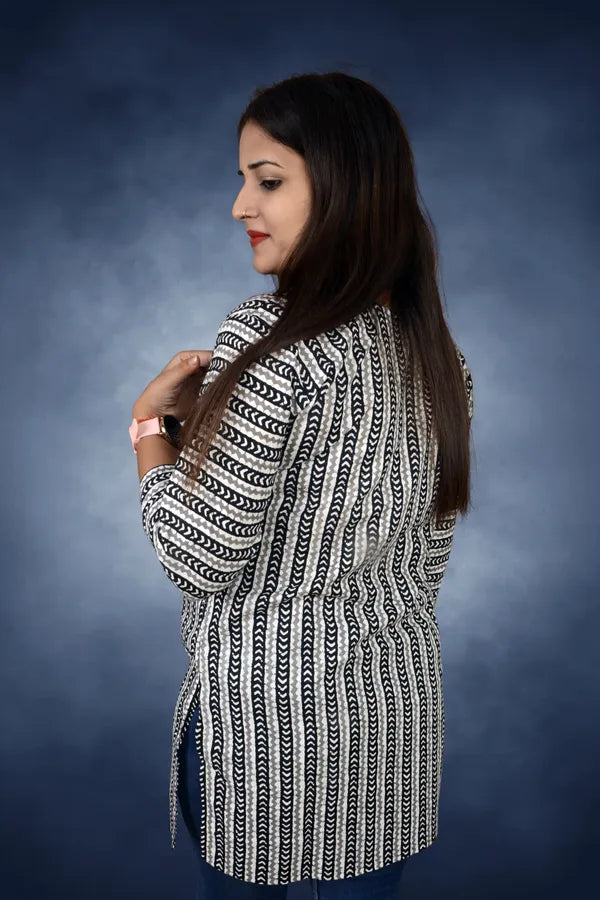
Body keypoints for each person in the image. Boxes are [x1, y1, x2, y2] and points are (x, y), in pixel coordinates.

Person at [137, 71, 474, 898]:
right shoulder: (439, 358)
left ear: (347, 187)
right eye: (244, 180)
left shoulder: (269, 339)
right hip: (393, 725)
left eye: (268, 180)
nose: (239, 206)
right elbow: (426, 564)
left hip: (264, 737)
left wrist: (149, 430)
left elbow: (198, 558)